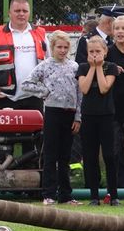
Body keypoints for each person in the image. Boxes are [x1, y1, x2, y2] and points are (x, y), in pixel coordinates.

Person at [22, 31, 82, 205]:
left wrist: (78, 117)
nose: (62, 50)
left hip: (70, 113)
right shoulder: (45, 65)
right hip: (52, 113)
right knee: (50, 154)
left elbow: (79, 94)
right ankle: (48, 194)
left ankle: (66, 195)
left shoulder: (74, 67)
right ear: (52, 47)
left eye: (65, 47)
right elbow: (27, 84)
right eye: (59, 47)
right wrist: (45, 92)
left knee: (65, 156)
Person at [0, 0, 49, 112]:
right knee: (4, 131)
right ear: (9, 13)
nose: (21, 14)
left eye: (25, 11)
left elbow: (51, 63)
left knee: (34, 130)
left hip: (34, 97)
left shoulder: (40, 34)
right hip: (4, 96)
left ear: (29, 13)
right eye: (17, 11)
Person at [77, 36, 120, 206]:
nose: (94, 55)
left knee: (109, 155)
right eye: (91, 52)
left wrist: (99, 67)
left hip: (107, 116)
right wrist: (92, 68)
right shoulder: (82, 67)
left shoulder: (111, 68)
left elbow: (103, 88)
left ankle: (113, 195)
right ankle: (94, 196)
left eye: (98, 51)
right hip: (88, 116)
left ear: (105, 51)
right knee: (90, 156)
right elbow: (85, 88)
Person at [107, 15, 124, 188]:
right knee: (117, 149)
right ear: (112, 31)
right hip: (113, 108)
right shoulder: (107, 53)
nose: (120, 32)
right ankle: (121, 187)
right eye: (117, 28)